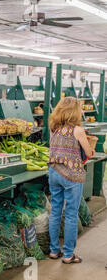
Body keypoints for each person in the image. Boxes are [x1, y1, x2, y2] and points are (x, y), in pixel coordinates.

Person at [47, 96, 97, 264]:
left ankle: (54, 251)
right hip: (71, 176)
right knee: (70, 214)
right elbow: (89, 153)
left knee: (55, 211)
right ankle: (68, 254)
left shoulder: (53, 128)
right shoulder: (78, 130)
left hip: (54, 173)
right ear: (74, 111)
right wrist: (91, 150)